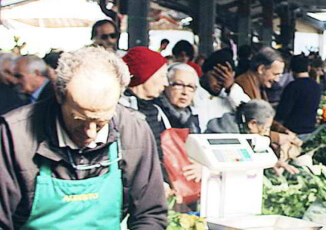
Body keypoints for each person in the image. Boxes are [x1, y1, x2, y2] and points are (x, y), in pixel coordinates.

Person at [0, 46, 167, 229]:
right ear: (59, 94)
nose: (90, 133)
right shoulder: (15, 135)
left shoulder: (133, 130)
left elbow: (149, 214)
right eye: (79, 119)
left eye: (101, 121)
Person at [205, 100, 299, 175]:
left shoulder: (243, 131)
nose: (266, 134)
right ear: (252, 124)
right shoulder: (224, 136)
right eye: (265, 129)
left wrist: (272, 163)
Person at [120, 47, 170, 164]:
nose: (166, 83)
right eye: (162, 76)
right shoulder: (121, 112)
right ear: (144, 75)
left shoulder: (158, 110)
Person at [275, 55, 323, 135]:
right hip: (310, 128)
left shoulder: (292, 86)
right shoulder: (316, 85)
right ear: (308, 68)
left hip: (292, 130)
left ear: (291, 69)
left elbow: (283, 112)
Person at [193, 48, 237, 130]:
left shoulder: (232, 99)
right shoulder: (191, 93)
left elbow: (251, 112)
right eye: (217, 76)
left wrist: (231, 87)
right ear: (204, 72)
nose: (220, 82)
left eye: (225, 79)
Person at [155, 63, 201, 132]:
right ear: (166, 85)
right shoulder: (154, 113)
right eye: (179, 85)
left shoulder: (192, 117)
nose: (185, 92)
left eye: (190, 86)